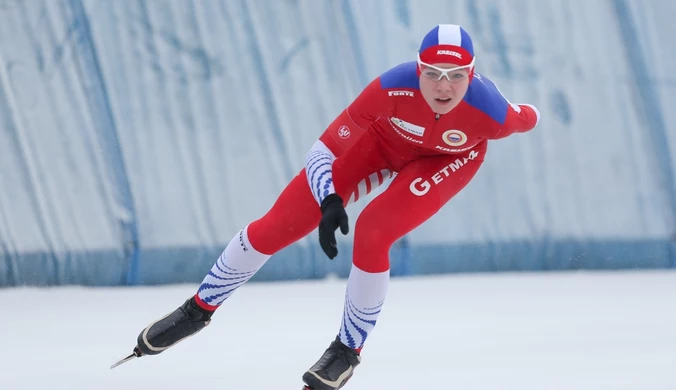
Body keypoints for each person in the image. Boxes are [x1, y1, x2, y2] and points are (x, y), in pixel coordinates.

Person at [124, 23, 540, 389]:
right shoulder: (389, 87)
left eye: (455, 76)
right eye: (432, 74)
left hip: (445, 160)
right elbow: (323, 151)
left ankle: (345, 351)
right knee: (278, 225)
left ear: (472, 75)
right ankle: (197, 310)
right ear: (417, 71)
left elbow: (529, 116)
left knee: (375, 230)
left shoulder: (493, 112)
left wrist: (529, 112)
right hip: (379, 146)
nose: (443, 87)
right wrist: (329, 200)